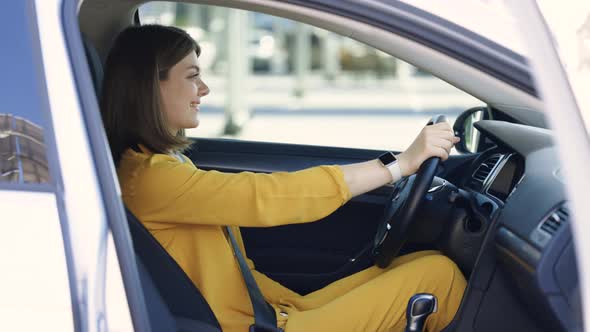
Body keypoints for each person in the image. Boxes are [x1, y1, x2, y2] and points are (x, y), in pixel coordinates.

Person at [101, 24, 466, 332]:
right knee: (439, 277)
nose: (205, 90)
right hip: (251, 326)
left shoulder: (160, 164)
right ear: (151, 86)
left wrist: (291, 305)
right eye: (193, 76)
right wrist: (398, 166)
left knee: (424, 261)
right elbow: (270, 196)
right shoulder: (150, 178)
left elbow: (228, 272)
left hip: (267, 315)